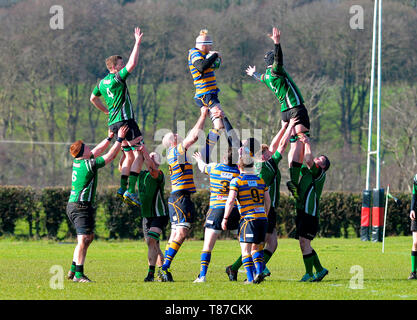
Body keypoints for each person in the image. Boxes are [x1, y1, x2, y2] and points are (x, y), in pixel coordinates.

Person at [225, 119, 296, 281]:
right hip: (265, 209)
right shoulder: (267, 165)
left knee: (267, 244)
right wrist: (290, 127)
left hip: (258, 208)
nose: (269, 151)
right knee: (261, 244)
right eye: (265, 151)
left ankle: (237, 268)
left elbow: (273, 145)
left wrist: (284, 127)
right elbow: (281, 146)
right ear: (261, 153)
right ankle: (257, 271)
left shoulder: (257, 164)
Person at [246, 27, 310, 201]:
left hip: (285, 112)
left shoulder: (266, 77)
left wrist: (253, 74)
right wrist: (277, 43)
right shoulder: (276, 71)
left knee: (291, 143)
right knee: (299, 142)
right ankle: (294, 181)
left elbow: (259, 77)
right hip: (295, 107)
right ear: (273, 62)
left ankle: (294, 180)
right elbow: (279, 59)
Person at [66, 125, 129, 283]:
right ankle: (79, 275)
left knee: (88, 237)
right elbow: (109, 157)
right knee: (83, 239)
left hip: (76, 205)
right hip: (80, 206)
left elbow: (98, 150)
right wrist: (119, 139)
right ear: (83, 152)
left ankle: (74, 270)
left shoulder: (79, 162)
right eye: (87, 147)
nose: (90, 148)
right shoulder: (89, 165)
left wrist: (109, 138)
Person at [90, 27, 144, 207]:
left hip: (113, 123)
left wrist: (105, 111)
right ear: (114, 68)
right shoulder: (116, 79)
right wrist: (137, 43)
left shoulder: (102, 83)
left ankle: (122, 188)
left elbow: (93, 99)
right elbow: (133, 64)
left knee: (128, 156)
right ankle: (132, 190)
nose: (123, 67)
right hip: (126, 121)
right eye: (120, 65)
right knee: (140, 155)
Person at [160, 106, 214, 282]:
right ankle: (164, 267)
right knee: (182, 232)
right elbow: (194, 136)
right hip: (181, 198)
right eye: (176, 135)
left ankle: (164, 269)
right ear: (174, 141)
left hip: (177, 198)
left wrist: (214, 133)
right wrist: (203, 115)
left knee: (176, 234)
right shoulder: (177, 151)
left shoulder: (173, 153)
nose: (179, 135)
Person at [188, 29, 240, 163]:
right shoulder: (194, 53)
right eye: (210, 46)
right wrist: (214, 55)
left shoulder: (202, 54)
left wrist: (215, 58)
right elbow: (201, 67)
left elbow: (208, 65)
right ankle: (235, 148)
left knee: (219, 126)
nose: (211, 48)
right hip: (205, 94)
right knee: (221, 116)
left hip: (209, 94)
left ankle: (205, 154)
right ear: (204, 45)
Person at [119, 146, 169, 282]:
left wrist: (144, 153)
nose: (149, 157)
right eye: (149, 156)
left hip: (159, 214)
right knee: (153, 245)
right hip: (146, 215)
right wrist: (126, 155)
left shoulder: (159, 174)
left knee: (152, 240)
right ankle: (163, 271)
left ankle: (150, 274)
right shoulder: (140, 174)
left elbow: (152, 169)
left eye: (152, 156)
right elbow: (123, 170)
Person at [192, 147, 241, 283]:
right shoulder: (238, 172)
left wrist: (199, 160)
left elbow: (202, 168)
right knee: (246, 245)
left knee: (207, 246)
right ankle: (252, 273)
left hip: (216, 210)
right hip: (233, 211)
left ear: (224, 158)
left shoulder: (215, 168)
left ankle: (202, 276)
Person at [221, 152, 271, 284]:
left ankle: (250, 279)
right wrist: (264, 214)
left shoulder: (237, 181)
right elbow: (268, 201)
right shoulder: (260, 180)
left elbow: (231, 200)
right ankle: (259, 272)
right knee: (256, 249)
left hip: (248, 219)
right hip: (262, 219)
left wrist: (225, 218)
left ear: (239, 166)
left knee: (245, 250)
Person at [292, 134, 330, 282]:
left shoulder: (319, 174)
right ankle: (320, 270)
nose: (316, 158)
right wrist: (297, 142)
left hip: (310, 214)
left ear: (323, 167)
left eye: (320, 159)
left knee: (304, 243)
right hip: (302, 212)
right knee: (304, 243)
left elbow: (308, 159)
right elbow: (300, 159)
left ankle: (309, 274)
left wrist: (307, 143)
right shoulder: (307, 171)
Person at [408, 174, 417, 280]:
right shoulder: (416, 179)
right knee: (415, 242)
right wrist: (412, 209)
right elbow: (414, 196)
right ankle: (413, 272)